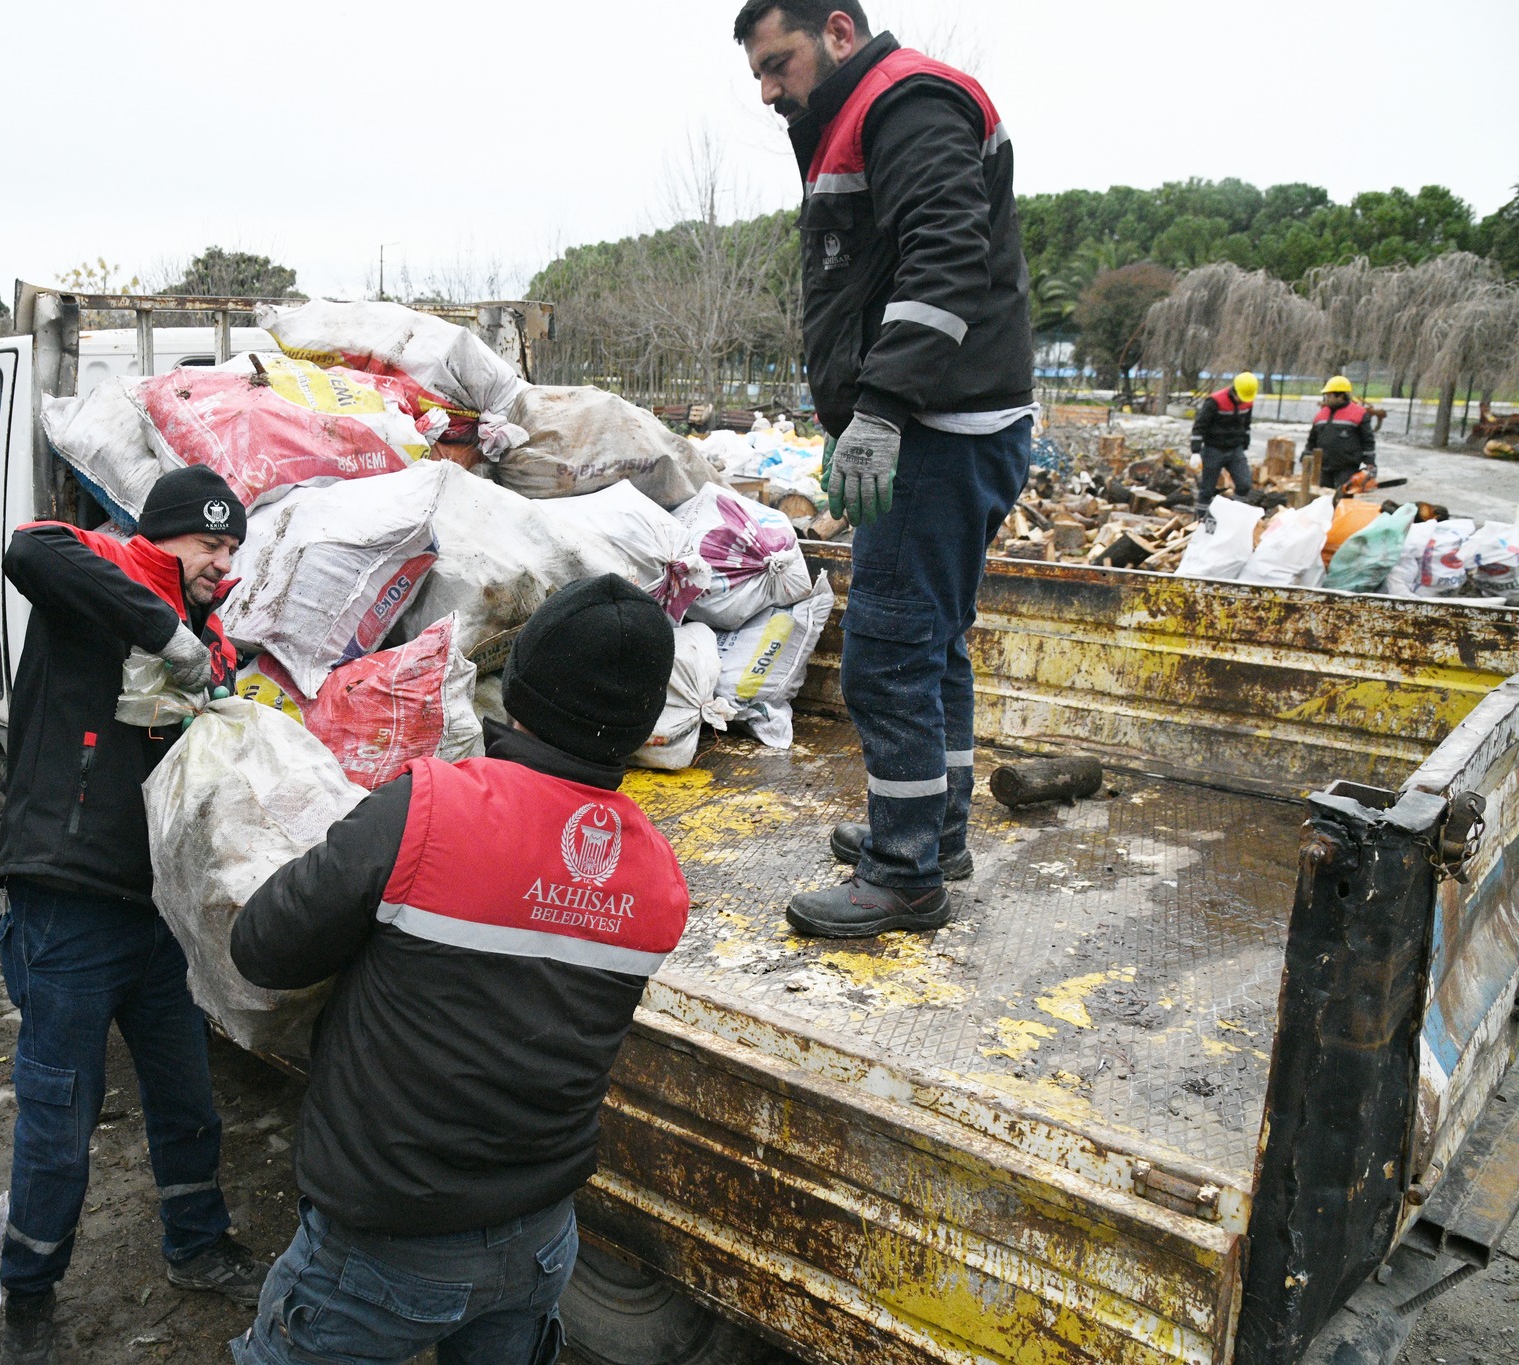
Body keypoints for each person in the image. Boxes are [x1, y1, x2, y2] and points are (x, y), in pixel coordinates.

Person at [225, 576, 687, 1365]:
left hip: (384, 1247)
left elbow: (262, 945)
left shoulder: (429, 809)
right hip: (542, 1240)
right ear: (643, 725)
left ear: (520, 692)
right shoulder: (658, 881)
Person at [735, 0, 1036, 939]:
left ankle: (904, 872)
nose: (769, 89)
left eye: (778, 63)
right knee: (933, 640)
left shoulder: (902, 103)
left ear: (835, 29)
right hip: (947, 423)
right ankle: (933, 831)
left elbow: (944, 261)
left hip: (938, 431)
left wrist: (883, 408)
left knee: (890, 647)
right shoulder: (861, 116)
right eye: (756, 74)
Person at [0, 465, 270, 1363]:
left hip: (156, 912)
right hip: (65, 905)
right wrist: (160, 629)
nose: (219, 563)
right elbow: (29, 548)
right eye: (207, 545)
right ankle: (27, 1297)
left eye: (231, 550)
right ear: (163, 536)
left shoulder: (210, 630)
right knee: (59, 1114)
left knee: (186, 1092)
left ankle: (197, 1243)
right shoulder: (103, 572)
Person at [1192, 372, 1260, 505]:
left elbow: (1246, 424)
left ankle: (1232, 512)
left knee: (1244, 485)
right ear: (1234, 390)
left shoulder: (1247, 402)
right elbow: (1199, 426)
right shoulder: (1215, 401)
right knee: (1207, 490)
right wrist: (1195, 450)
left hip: (1235, 450)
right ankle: (1201, 520)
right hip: (1213, 449)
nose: (1242, 401)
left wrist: (1245, 441)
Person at [1308, 375, 1378, 490]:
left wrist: (1370, 463)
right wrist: (1307, 455)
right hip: (1324, 467)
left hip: (1347, 467)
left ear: (1340, 396)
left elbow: (1368, 441)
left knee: (1343, 501)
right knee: (1323, 501)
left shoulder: (1359, 414)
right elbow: (1312, 440)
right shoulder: (1321, 414)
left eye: (1329, 395)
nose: (1327, 399)